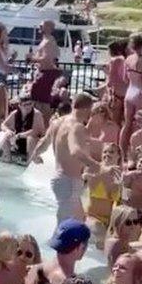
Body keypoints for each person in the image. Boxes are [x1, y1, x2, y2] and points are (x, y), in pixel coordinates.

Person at [50, 93, 99, 222]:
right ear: (85, 109)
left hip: (60, 178)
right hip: (69, 181)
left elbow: (43, 142)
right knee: (67, 224)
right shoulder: (77, 126)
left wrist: (34, 156)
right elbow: (75, 150)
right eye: (91, 110)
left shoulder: (58, 122)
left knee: (78, 221)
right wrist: (96, 165)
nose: (91, 114)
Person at [1, 94, 46, 162]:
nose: (28, 106)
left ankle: (31, 159)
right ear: (20, 105)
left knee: (30, 139)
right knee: (6, 136)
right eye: (25, 104)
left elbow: (35, 131)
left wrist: (19, 136)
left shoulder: (37, 114)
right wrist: (7, 131)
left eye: (30, 104)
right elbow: (3, 125)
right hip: (19, 140)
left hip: (34, 140)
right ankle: (8, 158)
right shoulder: (15, 113)